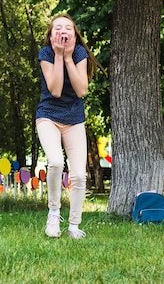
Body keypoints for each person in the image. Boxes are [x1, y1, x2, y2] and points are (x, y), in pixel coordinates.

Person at [36, 13, 102, 239]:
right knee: (55, 162)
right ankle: (54, 213)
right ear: (51, 35)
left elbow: (81, 90)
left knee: (79, 176)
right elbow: (54, 90)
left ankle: (74, 225)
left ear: (74, 35)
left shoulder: (80, 53)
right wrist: (57, 55)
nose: (63, 31)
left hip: (74, 119)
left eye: (68, 28)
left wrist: (67, 58)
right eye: (58, 28)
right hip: (48, 116)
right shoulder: (45, 53)